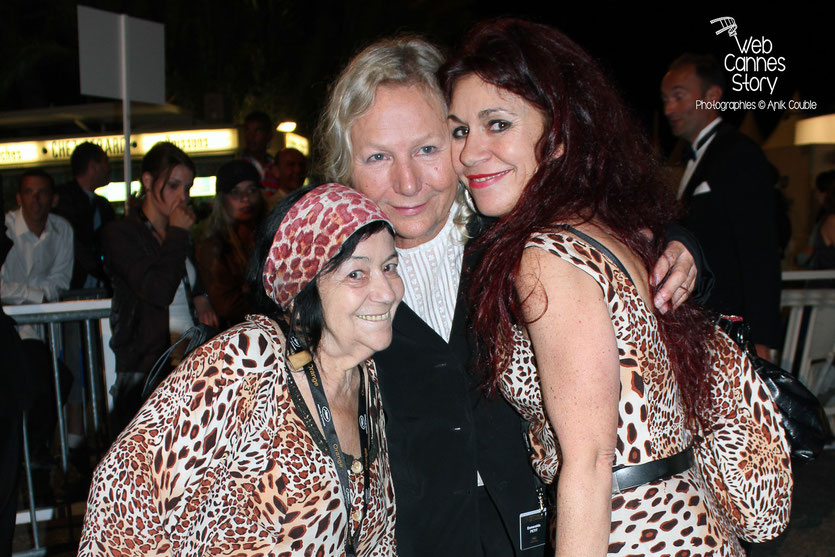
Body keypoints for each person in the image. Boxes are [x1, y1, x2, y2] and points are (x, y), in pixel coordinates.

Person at [317, 35, 709, 557]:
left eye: (427, 148)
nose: (407, 181)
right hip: (416, 539)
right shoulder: (326, 280)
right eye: (377, 156)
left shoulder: (515, 238)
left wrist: (686, 250)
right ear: (346, 166)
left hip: (547, 530)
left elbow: (626, 275)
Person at [442, 18, 791, 555]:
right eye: (460, 129)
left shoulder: (547, 255)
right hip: (684, 519)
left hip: (630, 532)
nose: (469, 153)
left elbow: (589, 462)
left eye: (498, 124)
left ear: (558, 135)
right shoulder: (604, 227)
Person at [79, 183, 400, 556]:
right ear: (302, 284)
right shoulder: (250, 357)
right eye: (356, 274)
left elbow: (377, 535)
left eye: (390, 266)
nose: (387, 291)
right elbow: (123, 489)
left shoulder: (365, 376)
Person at [661, 53, 782, 359]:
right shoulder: (693, 158)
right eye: (665, 99)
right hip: (704, 325)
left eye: (679, 96)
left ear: (712, 96)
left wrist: (763, 341)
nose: (668, 108)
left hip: (734, 328)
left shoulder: (739, 153)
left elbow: (760, 252)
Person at [102, 142, 218, 431]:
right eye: (174, 186)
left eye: (187, 188)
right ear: (149, 181)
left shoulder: (177, 234)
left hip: (190, 355)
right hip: (148, 362)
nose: (182, 196)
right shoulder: (121, 233)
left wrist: (200, 295)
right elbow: (157, 291)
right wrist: (178, 232)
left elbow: (187, 277)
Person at [195, 160, 266, 328]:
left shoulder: (271, 236)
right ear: (222, 199)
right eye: (235, 192)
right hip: (235, 337)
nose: (245, 198)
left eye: (252, 190)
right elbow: (227, 305)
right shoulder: (212, 246)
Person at [54, 141, 115, 290]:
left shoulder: (103, 205)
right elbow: (76, 244)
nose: (109, 168)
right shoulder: (65, 200)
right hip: (72, 284)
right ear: (93, 166)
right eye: (106, 162)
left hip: (97, 284)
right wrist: (101, 271)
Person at [241, 110, 280, 194]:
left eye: (257, 131)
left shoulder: (276, 166)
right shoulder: (239, 167)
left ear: (269, 135)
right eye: (247, 131)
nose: (251, 136)